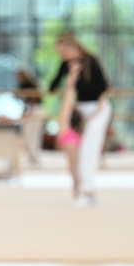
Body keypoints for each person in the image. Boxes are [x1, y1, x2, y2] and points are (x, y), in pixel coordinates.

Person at [49, 32, 110, 207]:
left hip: (98, 109)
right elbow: (53, 85)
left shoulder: (91, 61)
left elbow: (102, 87)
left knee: (89, 149)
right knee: (77, 152)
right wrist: (69, 78)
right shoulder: (66, 64)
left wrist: (97, 108)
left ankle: (87, 189)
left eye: (64, 52)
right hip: (80, 110)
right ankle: (84, 188)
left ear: (73, 48)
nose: (62, 56)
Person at [56, 62, 82, 198]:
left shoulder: (69, 114)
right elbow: (70, 91)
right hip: (69, 137)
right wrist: (74, 74)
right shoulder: (66, 111)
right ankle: (77, 186)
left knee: (73, 165)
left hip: (70, 136)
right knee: (73, 165)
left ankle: (77, 186)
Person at [16, 69, 46, 166]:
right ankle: (32, 155)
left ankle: (34, 156)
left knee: (32, 135)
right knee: (28, 134)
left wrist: (28, 113)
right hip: (32, 111)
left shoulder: (30, 87)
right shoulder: (26, 86)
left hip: (36, 111)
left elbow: (34, 100)